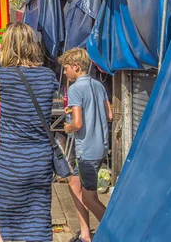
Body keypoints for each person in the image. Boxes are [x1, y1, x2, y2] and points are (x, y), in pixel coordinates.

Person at [0, 22, 59, 242]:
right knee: (38, 218)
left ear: (7, 46)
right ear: (32, 45)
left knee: (1, 216)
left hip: (11, 163)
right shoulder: (49, 76)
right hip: (40, 163)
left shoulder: (1, 76)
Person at [58, 48, 113, 242]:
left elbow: (78, 123)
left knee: (90, 197)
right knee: (74, 184)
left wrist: (68, 126)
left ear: (76, 67)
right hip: (100, 145)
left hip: (86, 150)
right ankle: (85, 234)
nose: (65, 73)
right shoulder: (98, 85)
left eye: (66, 69)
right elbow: (109, 115)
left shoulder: (75, 89)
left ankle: (113, 234)